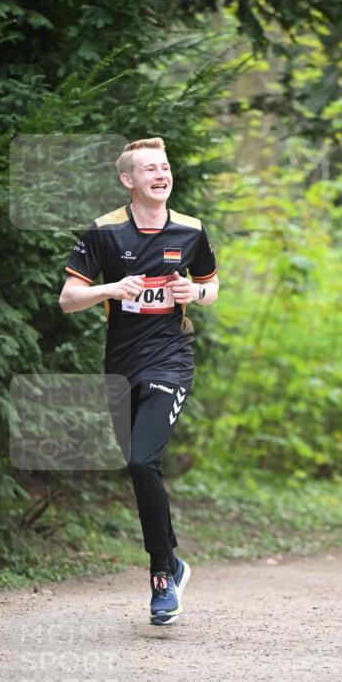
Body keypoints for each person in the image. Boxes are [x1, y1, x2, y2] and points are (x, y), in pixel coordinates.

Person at [59, 137, 219, 625]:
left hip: (170, 359)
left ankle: (161, 576)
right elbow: (68, 298)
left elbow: (211, 286)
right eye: (150, 168)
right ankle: (173, 561)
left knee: (141, 460)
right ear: (128, 180)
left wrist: (195, 292)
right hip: (121, 364)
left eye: (165, 167)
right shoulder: (105, 231)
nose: (161, 174)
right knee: (139, 466)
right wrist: (110, 288)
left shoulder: (190, 230)